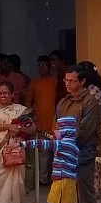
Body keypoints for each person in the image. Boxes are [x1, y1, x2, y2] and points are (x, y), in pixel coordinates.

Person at [57, 63, 101, 203]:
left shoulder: (91, 102)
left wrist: (66, 139)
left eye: (72, 81)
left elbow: (84, 130)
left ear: (82, 81)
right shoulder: (64, 102)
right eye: (66, 80)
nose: (68, 84)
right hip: (66, 156)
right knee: (69, 199)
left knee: (86, 200)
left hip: (83, 154)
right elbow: (58, 126)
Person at [33, 112, 81, 203]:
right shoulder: (72, 145)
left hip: (61, 183)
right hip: (70, 184)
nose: (57, 131)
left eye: (59, 128)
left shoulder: (64, 144)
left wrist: (22, 144)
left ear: (66, 129)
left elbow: (43, 143)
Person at [26, 55, 61, 184]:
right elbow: (28, 104)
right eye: (39, 65)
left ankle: (49, 177)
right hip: (39, 122)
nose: (42, 68)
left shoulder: (56, 82)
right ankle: (40, 179)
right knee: (41, 152)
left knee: (52, 152)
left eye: (44, 65)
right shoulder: (33, 83)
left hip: (53, 121)